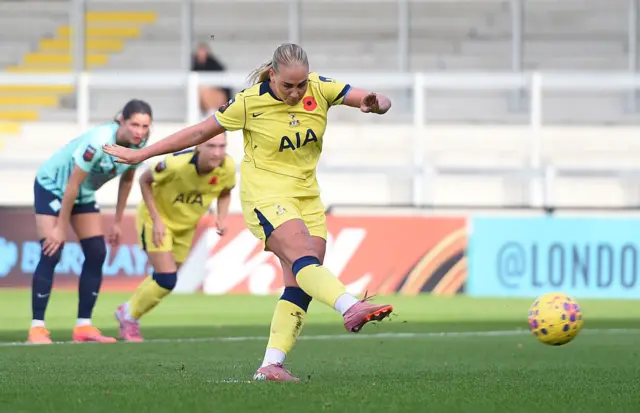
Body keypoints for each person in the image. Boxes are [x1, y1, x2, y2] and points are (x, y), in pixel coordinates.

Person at [103, 43, 393, 381]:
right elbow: (199, 132)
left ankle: (271, 364)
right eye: (288, 86)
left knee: (301, 281)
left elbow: (375, 100)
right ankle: (350, 306)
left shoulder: (321, 88)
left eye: (301, 85)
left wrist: (377, 105)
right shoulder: (248, 102)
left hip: (307, 196)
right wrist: (143, 154)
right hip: (266, 195)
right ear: (273, 75)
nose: (296, 92)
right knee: (302, 254)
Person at [28, 99, 153, 345]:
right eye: (135, 124)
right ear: (122, 121)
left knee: (96, 252)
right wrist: (61, 228)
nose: (139, 131)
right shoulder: (99, 142)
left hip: (82, 193)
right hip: (53, 186)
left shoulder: (140, 145)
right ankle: (37, 329)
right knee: (52, 249)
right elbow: (72, 184)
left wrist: (117, 221)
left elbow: (127, 180)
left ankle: (83, 326)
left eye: (145, 126)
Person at [114, 133, 235, 342]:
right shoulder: (175, 163)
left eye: (222, 146)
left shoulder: (227, 166)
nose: (217, 152)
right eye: (211, 146)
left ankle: (127, 310)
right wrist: (156, 220)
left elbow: (225, 191)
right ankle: (130, 316)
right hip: (157, 220)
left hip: (186, 227)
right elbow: (145, 180)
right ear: (198, 146)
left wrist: (221, 217)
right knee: (166, 279)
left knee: (166, 280)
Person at [192, 43, 231, 118]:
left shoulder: (214, 64)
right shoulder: (195, 65)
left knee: (204, 89)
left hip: (218, 94)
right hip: (204, 94)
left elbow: (224, 84)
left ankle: (212, 111)